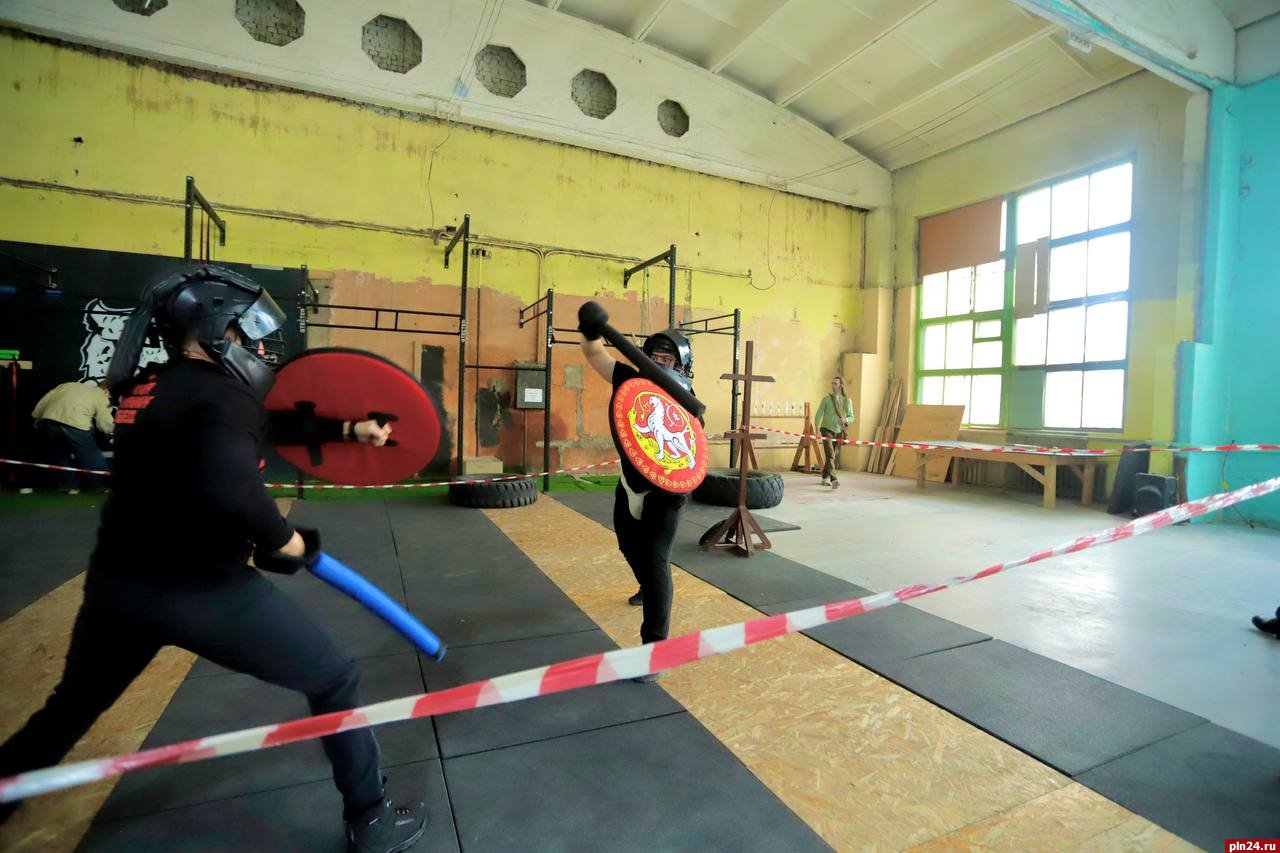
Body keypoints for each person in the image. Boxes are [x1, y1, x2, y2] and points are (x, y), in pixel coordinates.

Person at [0, 265, 426, 853]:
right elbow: (232, 488)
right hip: (203, 590)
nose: (253, 343)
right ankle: (372, 819)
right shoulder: (223, 395)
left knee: (70, 707)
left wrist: (351, 429)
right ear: (212, 327)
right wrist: (287, 541)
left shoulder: (151, 386)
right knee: (335, 678)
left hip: (118, 588)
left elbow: (260, 425)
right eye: (242, 329)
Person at [578, 308, 695, 683]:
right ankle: (645, 585)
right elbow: (596, 355)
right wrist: (590, 331)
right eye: (654, 357)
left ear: (682, 366)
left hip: (666, 492)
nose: (659, 363)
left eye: (667, 359)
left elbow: (688, 453)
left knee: (655, 558)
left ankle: (654, 653)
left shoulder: (686, 401)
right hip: (630, 483)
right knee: (628, 545)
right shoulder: (630, 380)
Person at [31, 379, 114, 493]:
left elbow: (46, 399)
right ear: (106, 390)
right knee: (91, 456)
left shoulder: (68, 385)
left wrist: (37, 416)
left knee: (60, 456)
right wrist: (114, 429)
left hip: (49, 421)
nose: (110, 397)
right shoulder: (101, 396)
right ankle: (103, 486)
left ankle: (69, 486)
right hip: (74, 424)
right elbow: (104, 424)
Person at [814, 376, 854, 489]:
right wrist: (817, 429)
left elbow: (851, 417)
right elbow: (818, 414)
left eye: (835, 383)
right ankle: (834, 479)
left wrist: (846, 420)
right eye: (832, 383)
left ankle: (825, 477)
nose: (833, 385)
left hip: (839, 431)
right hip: (826, 429)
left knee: (831, 456)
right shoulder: (826, 399)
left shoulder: (847, 401)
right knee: (830, 454)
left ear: (841, 385)